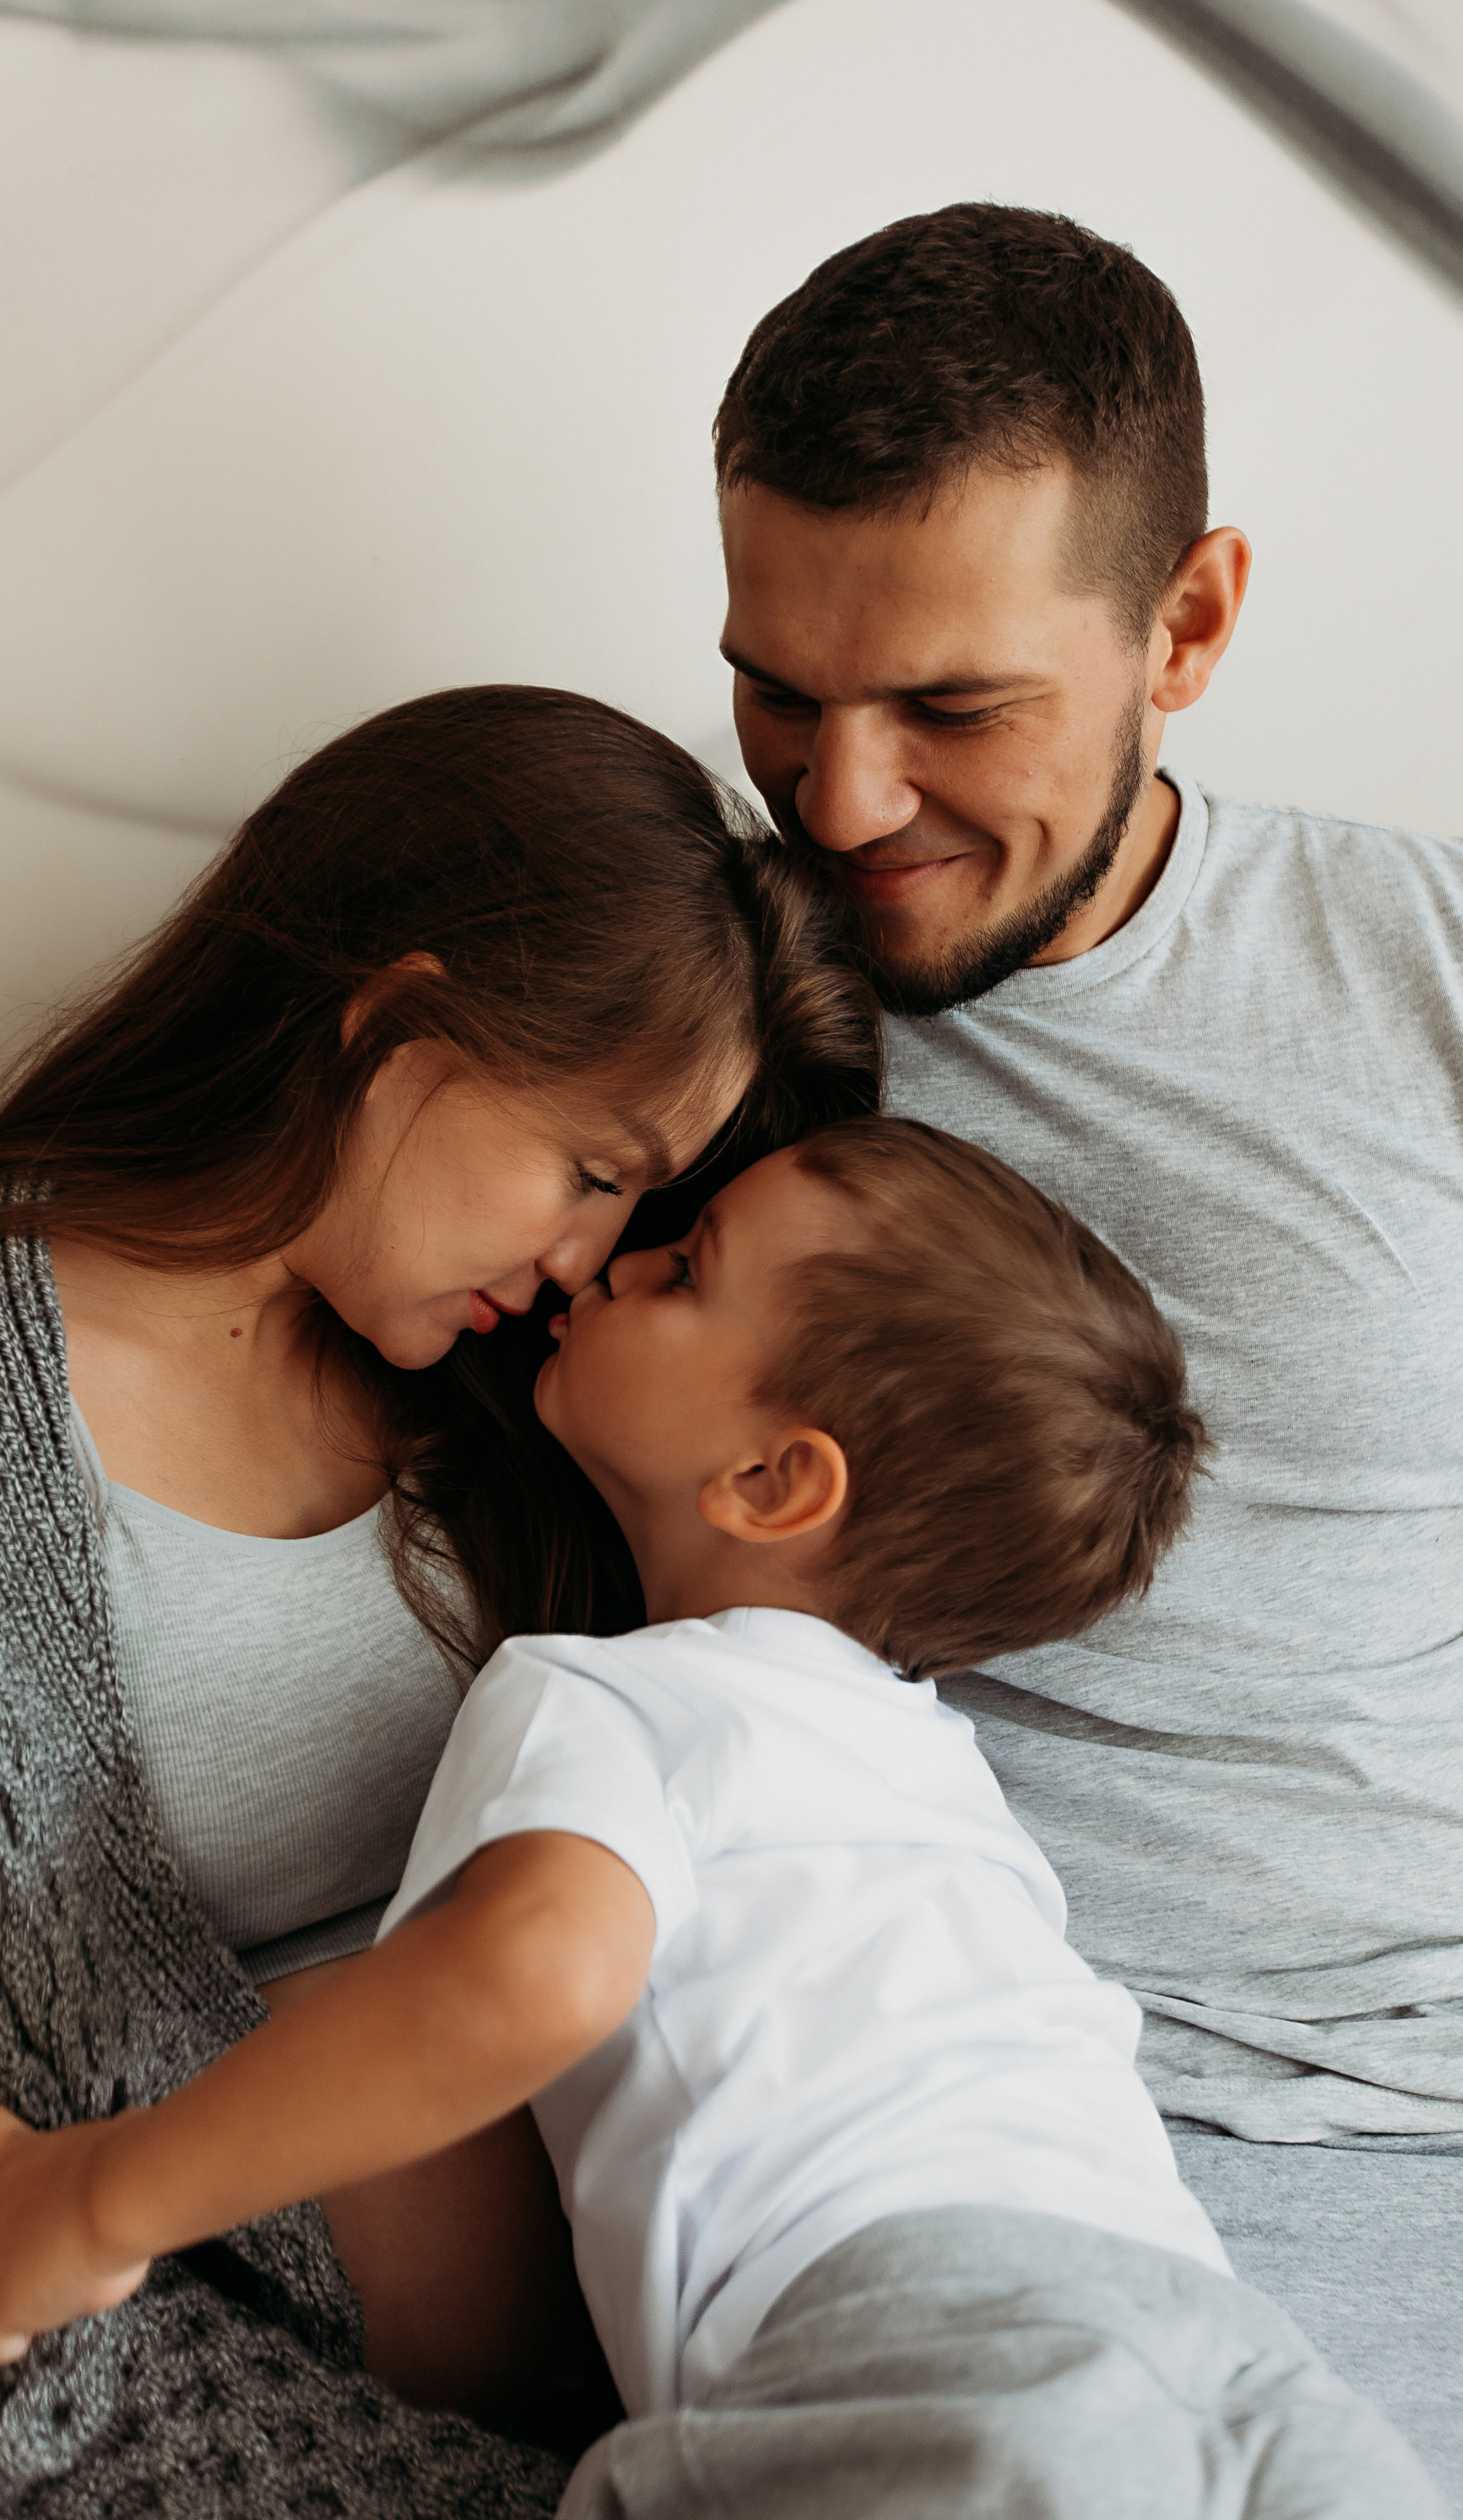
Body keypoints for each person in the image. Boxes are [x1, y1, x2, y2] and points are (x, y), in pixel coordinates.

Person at [0, 1118, 1443, 2517]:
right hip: (1230, 2354)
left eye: (690, 1269)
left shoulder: (616, 1701)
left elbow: (528, 1978)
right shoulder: (929, 1772)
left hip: (906, 2346)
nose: (628, 1259)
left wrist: (103, 2200)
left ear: (772, 1481)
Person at [0, 684, 878, 2519]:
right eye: (589, 1171)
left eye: (640, 1211)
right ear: (391, 1023)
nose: (586, 1260)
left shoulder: (534, 1405)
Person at [710, 201, 1463, 2492]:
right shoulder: (689, 1013)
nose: (844, 804)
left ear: (1189, 624)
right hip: (961, 2113)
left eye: (953, 711)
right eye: (779, 693)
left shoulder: (1421, 966)